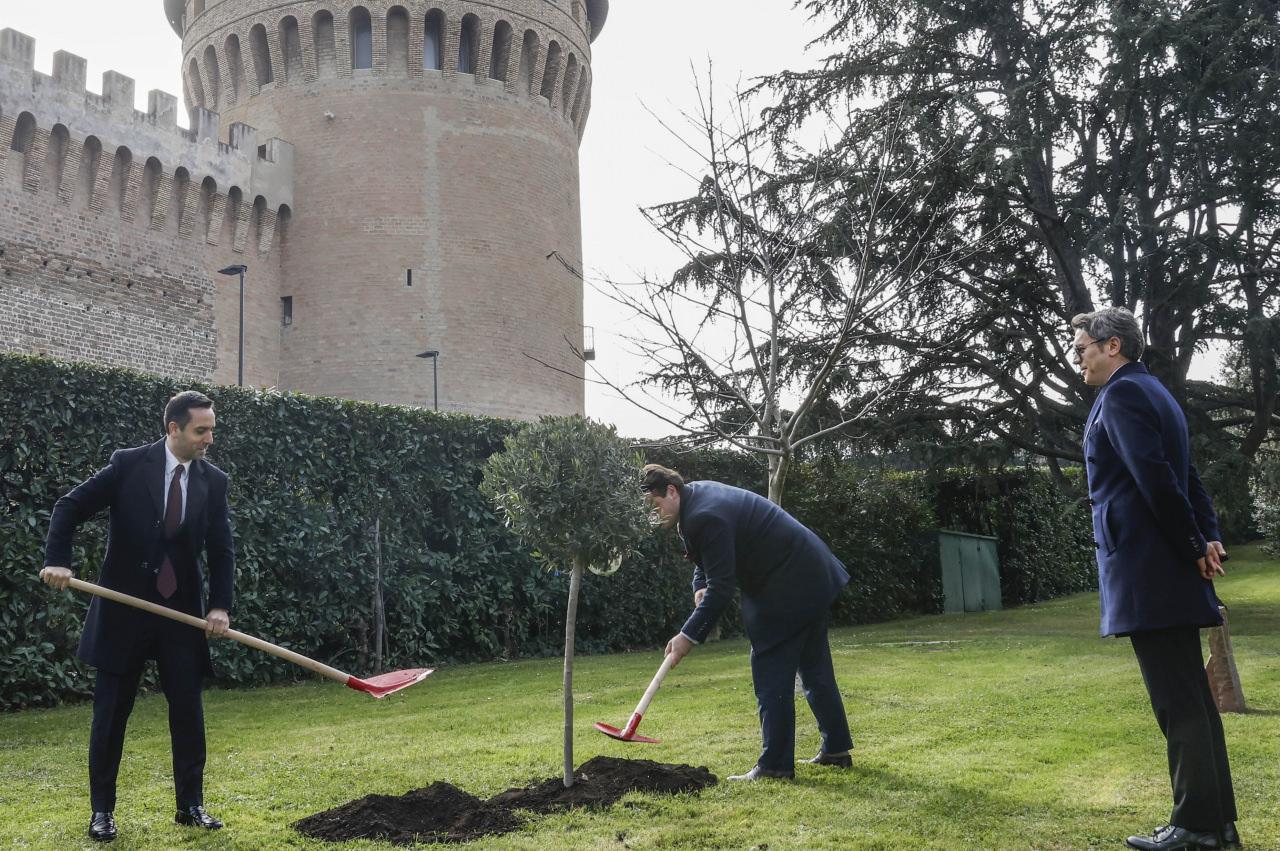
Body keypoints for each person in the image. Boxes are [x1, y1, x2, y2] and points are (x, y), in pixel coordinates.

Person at [1071, 308, 1239, 851]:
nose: (1079, 361)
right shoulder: (1157, 393)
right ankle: (1217, 827)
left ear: (1112, 345)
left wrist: (1195, 545)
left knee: (1178, 702)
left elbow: (1157, 478)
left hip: (1149, 569)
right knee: (1192, 699)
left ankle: (1195, 828)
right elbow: (1186, 476)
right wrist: (1207, 537)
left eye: (1083, 349)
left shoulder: (1120, 396)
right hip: (1164, 565)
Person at [40, 390, 235, 842]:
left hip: (180, 616)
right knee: (110, 716)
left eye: (212, 430)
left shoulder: (213, 480)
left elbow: (222, 549)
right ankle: (102, 814)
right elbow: (69, 507)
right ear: (174, 428)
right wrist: (58, 559)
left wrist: (220, 606)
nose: (209, 439)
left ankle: (191, 806)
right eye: (201, 430)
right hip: (123, 610)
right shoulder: (130, 465)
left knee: (188, 713)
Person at [641, 463, 853, 781]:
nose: (653, 516)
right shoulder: (696, 499)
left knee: (770, 669)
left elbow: (723, 588)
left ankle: (775, 766)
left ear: (671, 491)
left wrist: (687, 637)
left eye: (654, 506)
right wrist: (700, 586)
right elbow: (708, 559)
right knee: (813, 666)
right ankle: (836, 749)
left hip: (789, 581)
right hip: (810, 574)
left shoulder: (703, 515)